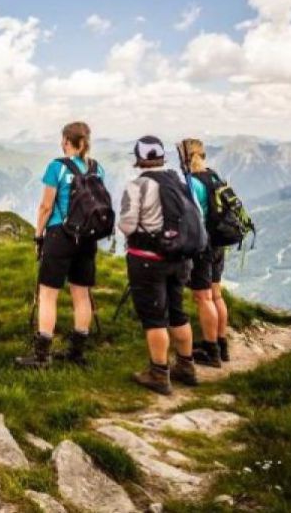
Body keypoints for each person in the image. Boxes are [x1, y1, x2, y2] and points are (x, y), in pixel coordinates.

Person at [15, 121, 106, 369]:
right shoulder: (97, 168)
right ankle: (77, 353)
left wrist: (38, 234)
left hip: (61, 236)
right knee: (81, 294)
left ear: (67, 141)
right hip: (87, 238)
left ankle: (42, 356)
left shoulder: (57, 167)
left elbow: (46, 205)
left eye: (62, 139)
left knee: (48, 293)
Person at [118, 136, 198, 395]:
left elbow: (128, 225)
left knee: (154, 319)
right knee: (177, 312)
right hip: (180, 259)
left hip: (148, 260)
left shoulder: (137, 186)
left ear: (139, 159)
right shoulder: (178, 181)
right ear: (162, 157)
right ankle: (186, 367)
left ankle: (158, 373)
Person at [179, 139, 229, 367]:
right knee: (216, 294)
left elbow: (189, 216)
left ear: (184, 158)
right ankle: (221, 344)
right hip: (219, 243)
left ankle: (211, 351)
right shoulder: (213, 176)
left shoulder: (192, 182)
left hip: (203, 245)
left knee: (203, 297)